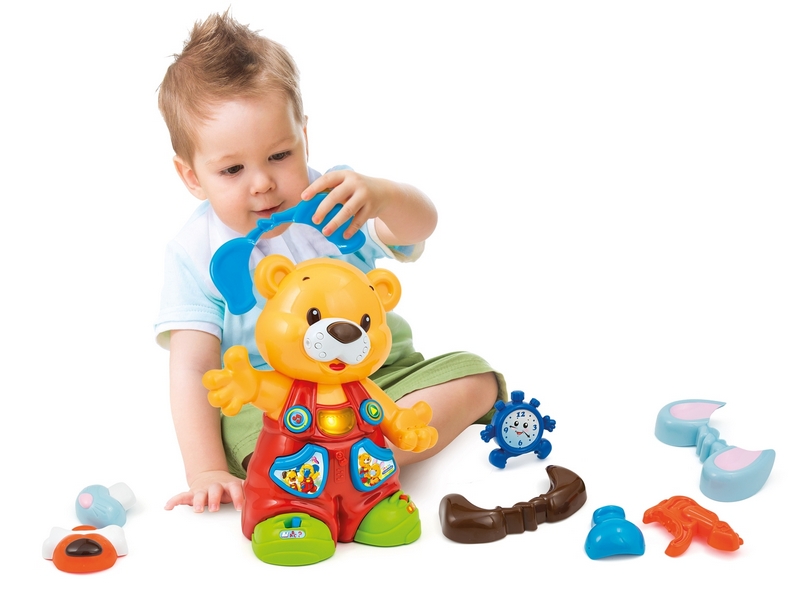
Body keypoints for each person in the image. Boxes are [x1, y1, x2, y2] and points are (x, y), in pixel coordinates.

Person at [155, 11, 505, 513]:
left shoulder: (335, 201)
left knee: (477, 378)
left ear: (303, 136)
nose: (262, 183)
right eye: (232, 169)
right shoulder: (195, 252)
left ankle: (363, 460)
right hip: (276, 402)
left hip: (376, 378)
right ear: (192, 176)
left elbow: (419, 228)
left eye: (280, 156)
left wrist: (385, 196)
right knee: (251, 429)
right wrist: (206, 469)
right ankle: (338, 462)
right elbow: (192, 368)